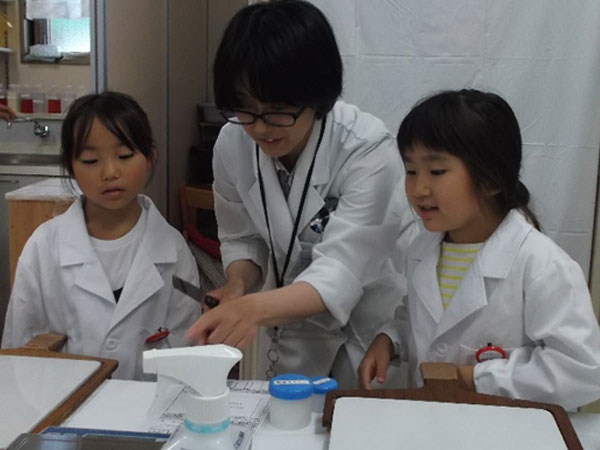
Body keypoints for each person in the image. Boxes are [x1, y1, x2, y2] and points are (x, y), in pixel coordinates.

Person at [186, 0, 415, 386]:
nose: (261, 128)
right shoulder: (232, 145)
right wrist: (237, 286)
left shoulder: (367, 150)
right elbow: (243, 238)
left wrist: (252, 309)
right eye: (246, 109)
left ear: (318, 97)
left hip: (367, 332)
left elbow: (340, 272)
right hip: (291, 331)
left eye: (278, 110)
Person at [358, 89, 600, 410]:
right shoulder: (422, 248)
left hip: (506, 428)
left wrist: (475, 378)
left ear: (491, 179)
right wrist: (390, 340)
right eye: (411, 170)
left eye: (436, 171)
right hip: (430, 419)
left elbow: (582, 370)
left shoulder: (542, 264)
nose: (418, 188)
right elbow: (419, 315)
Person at [1, 91, 202, 380]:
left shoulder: (173, 250)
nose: (110, 172)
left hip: (150, 403)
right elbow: (20, 351)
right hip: (63, 401)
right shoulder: (43, 248)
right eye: (91, 160)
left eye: (124, 156)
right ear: (70, 166)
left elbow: (187, 348)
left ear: (150, 158)